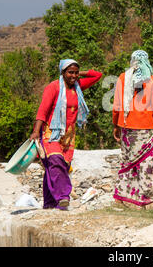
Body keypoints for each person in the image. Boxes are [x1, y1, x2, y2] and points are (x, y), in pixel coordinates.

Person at [30, 59, 102, 210]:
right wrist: (36, 131)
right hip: (52, 132)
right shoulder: (53, 87)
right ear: (62, 72)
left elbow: (97, 75)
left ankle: (50, 204)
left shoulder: (78, 86)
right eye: (70, 72)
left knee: (55, 166)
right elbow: (43, 110)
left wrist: (77, 73)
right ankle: (63, 196)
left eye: (76, 73)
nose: (74, 76)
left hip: (68, 135)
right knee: (55, 161)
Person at [112, 50, 153, 208]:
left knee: (128, 163)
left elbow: (117, 107)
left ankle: (125, 199)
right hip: (147, 131)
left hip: (127, 129)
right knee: (146, 165)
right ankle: (146, 200)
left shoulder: (123, 78)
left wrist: (116, 126)